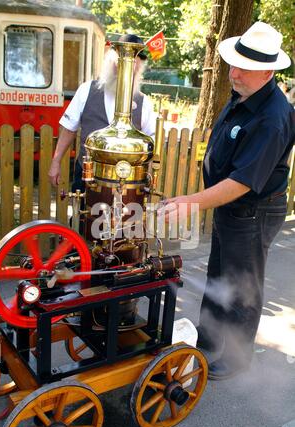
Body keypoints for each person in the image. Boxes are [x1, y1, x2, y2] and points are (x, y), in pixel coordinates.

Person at [161, 22, 295, 380]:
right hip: (232, 210)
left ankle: (237, 358)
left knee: (243, 285)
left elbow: (240, 183)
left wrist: (191, 201)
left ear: (267, 71)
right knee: (219, 273)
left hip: (253, 212)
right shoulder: (243, 95)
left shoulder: (273, 117)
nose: (232, 73)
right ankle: (208, 339)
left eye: (243, 69)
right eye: (232, 64)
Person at [48, 34, 155, 191]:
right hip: (87, 176)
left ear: (139, 67)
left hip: (128, 182)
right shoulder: (86, 90)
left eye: (134, 62)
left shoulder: (144, 102)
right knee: (83, 215)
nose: (126, 68)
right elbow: (69, 129)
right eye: (121, 60)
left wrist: (148, 175)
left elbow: (150, 143)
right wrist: (56, 162)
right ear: (110, 60)